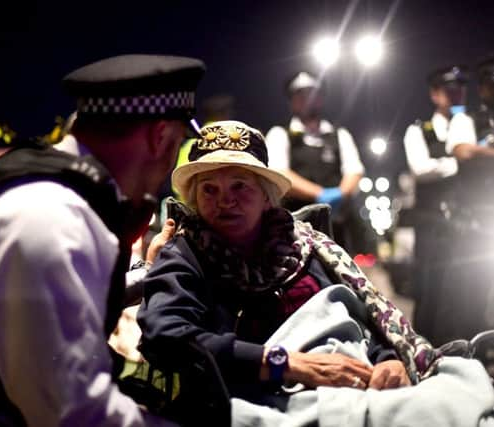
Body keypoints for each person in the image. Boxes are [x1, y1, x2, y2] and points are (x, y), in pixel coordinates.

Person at [0, 54, 205, 426]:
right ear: (161, 138)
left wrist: (149, 273)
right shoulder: (50, 212)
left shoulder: (49, 192)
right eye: (177, 146)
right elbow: (72, 412)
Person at [136, 120, 493, 426]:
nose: (224, 200)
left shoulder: (308, 244)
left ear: (266, 197)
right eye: (209, 190)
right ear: (196, 201)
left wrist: (389, 361)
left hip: (358, 375)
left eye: (239, 187)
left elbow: (363, 316)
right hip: (271, 397)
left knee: (459, 389)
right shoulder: (186, 253)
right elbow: (165, 336)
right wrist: (283, 364)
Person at [265, 71, 365, 253]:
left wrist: (340, 194)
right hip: (294, 228)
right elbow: (279, 172)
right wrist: (320, 194)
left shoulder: (339, 134)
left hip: (335, 226)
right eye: (300, 94)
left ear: (321, 97)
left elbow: (354, 170)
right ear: (292, 100)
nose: (307, 99)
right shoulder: (280, 134)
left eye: (312, 93)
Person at [402, 65, 467, 342]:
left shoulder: (472, 126)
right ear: (434, 94)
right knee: (430, 291)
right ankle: (426, 353)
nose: (455, 95)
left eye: (460, 89)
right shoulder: (419, 131)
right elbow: (420, 167)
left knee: (464, 293)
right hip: (432, 224)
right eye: (448, 90)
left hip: (467, 224)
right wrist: (460, 161)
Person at [441, 55, 494, 346]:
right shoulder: (466, 119)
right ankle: (469, 355)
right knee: (469, 296)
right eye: (489, 80)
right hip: (475, 221)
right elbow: (463, 151)